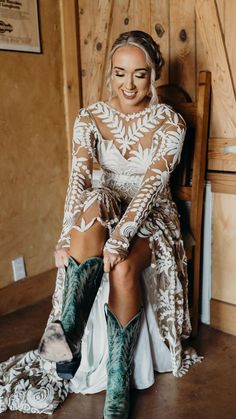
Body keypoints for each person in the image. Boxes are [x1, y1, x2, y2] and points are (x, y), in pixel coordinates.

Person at [0, 30, 202, 417]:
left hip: (152, 213)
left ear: (153, 74)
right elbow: (78, 180)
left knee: (124, 267)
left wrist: (118, 241)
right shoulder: (89, 117)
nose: (129, 84)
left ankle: (119, 383)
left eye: (139, 74)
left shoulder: (170, 123)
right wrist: (64, 238)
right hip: (105, 206)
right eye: (120, 73)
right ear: (110, 73)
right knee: (94, 198)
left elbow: (148, 190)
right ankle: (69, 335)